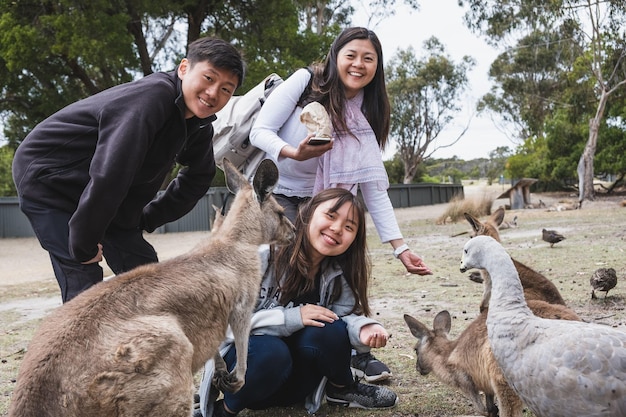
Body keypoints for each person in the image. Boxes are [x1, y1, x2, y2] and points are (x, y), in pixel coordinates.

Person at [249, 26, 431, 381]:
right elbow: (260, 131)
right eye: (351, 55)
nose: (358, 64)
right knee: (283, 272)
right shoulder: (306, 81)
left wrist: (400, 248)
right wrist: (293, 152)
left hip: (326, 201)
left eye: (368, 58)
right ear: (335, 56)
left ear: (377, 66)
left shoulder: (369, 109)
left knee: (346, 264)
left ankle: (354, 352)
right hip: (280, 193)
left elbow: (373, 187)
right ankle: (262, 348)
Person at [12, 37, 245, 303]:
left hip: (103, 192)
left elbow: (199, 177)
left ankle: (146, 342)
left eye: (226, 89)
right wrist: (84, 241)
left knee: (147, 279)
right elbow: (112, 171)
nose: (214, 93)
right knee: (84, 279)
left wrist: (146, 217)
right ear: (184, 68)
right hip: (49, 178)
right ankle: (83, 342)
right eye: (208, 78)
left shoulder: (199, 126)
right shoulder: (152, 99)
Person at [196, 188, 398, 417]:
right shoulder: (261, 255)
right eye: (331, 216)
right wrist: (292, 317)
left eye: (349, 227)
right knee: (272, 352)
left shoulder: (338, 272)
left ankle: (341, 389)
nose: (337, 228)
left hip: (298, 384)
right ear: (307, 213)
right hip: (251, 374)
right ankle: (223, 411)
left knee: (330, 327)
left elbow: (344, 317)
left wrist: (364, 328)